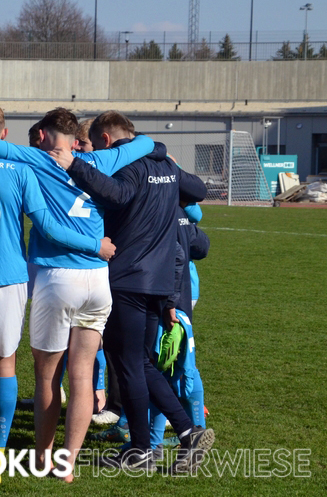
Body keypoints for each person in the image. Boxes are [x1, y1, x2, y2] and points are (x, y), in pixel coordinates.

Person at [0, 107, 154, 481]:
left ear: (43, 134)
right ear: (76, 136)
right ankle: (67, 464)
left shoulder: (37, 158)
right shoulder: (101, 160)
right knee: (82, 376)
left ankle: (43, 457)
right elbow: (146, 143)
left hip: (57, 276)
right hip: (98, 280)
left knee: (48, 378)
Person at [0, 102, 106, 486]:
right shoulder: (22, 170)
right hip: (12, 278)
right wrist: (95, 245)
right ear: (4, 134)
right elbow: (47, 226)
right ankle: (1, 447)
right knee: (5, 363)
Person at [52, 110, 213, 475]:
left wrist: (75, 165)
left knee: (128, 365)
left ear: (107, 140)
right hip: (159, 281)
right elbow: (199, 191)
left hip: (128, 278)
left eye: (95, 145)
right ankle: (173, 437)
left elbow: (119, 194)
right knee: (139, 363)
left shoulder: (130, 165)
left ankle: (158, 442)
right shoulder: (164, 165)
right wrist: (165, 158)